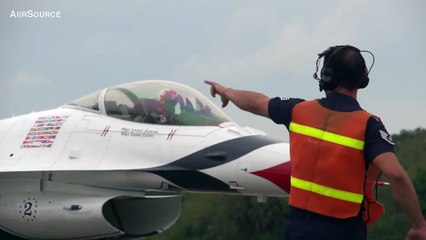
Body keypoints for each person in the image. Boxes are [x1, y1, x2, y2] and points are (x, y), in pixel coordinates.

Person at [205, 45, 426, 240]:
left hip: (299, 227)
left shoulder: (299, 111)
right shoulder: (369, 126)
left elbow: (256, 103)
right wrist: (419, 225)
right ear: (362, 80)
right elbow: (396, 174)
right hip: (344, 230)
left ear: (326, 76)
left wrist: (228, 92)